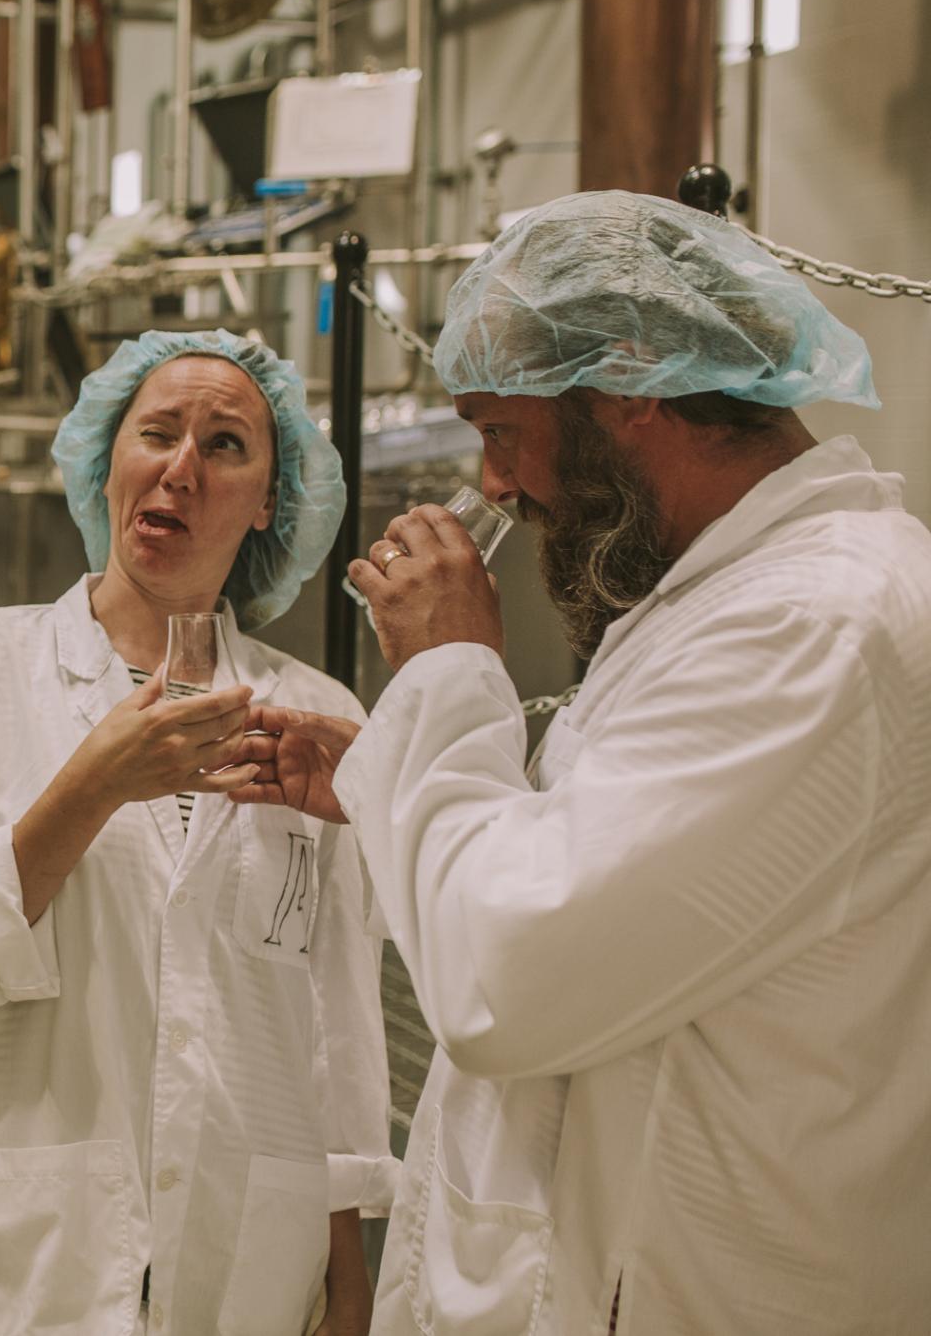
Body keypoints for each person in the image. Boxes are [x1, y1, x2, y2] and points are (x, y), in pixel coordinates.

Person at [234, 190, 931, 1334]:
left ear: (630, 392)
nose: (496, 487)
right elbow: (616, 879)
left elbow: (507, 978)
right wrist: (388, 780)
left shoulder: (812, 625)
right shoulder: (728, 595)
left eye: (499, 430)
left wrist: (445, 672)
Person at [0, 330, 396, 1336]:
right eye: (156, 433)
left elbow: (336, 1019)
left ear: (268, 501)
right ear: (108, 463)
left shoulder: (311, 714)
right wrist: (89, 789)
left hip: (246, 1250)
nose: (180, 468)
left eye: (224, 444)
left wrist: (347, 1268)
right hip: (33, 1239)